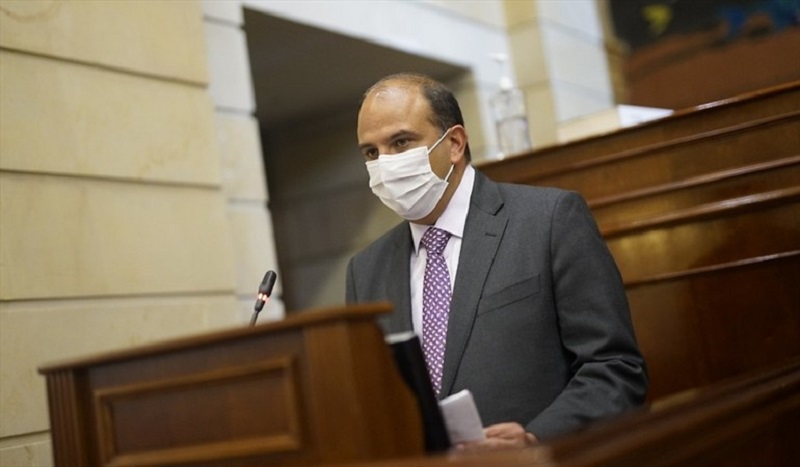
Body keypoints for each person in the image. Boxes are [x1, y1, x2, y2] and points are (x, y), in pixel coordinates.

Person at [345, 73, 647, 450]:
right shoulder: (365, 271)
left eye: (401, 142)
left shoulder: (549, 220)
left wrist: (536, 437)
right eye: (371, 153)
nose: (385, 164)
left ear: (454, 143)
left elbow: (615, 368)